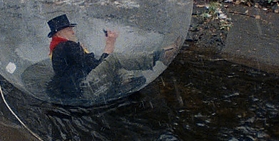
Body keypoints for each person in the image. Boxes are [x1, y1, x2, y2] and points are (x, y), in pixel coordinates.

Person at [46, 14, 179, 101]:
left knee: (112, 62)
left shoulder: (59, 47)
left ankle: (126, 80)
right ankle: (161, 55)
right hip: (84, 90)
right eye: (69, 29)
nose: (73, 31)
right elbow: (97, 65)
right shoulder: (67, 46)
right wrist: (110, 43)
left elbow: (85, 64)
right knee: (114, 60)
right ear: (59, 32)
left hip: (76, 88)